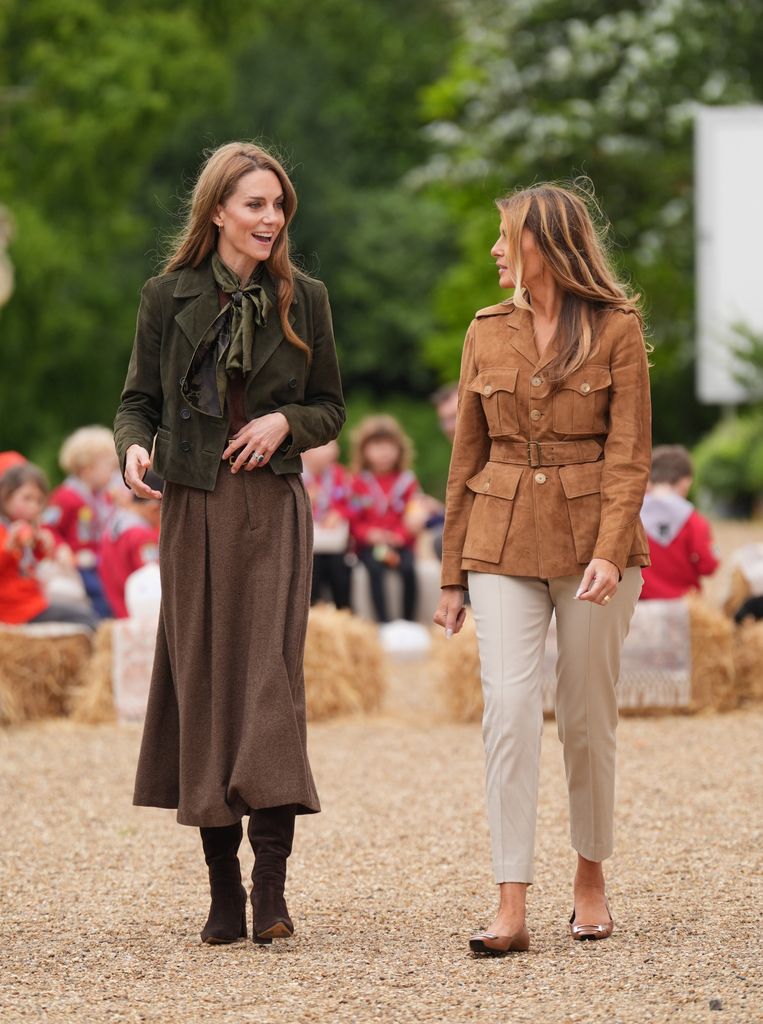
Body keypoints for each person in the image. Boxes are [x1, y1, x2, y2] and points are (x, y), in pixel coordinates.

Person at [114, 141, 345, 947]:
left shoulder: (304, 297)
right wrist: (134, 449)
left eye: (278, 205)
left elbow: (330, 407)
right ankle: (221, 890)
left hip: (273, 509)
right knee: (205, 685)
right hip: (193, 510)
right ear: (217, 210)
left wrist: (287, 420)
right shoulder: (164, 294)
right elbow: (136, 402)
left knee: (268, 687)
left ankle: (270, 888)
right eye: (254, 204)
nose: (271, 218)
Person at [434, 183, 651, 955]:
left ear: (545, 246)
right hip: (497, 540)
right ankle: (510, 903)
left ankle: (589, 878)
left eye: (505, 237)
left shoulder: (617, 327)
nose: (495, 250)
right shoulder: (485, 330)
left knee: (586, 716)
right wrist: (451, 574)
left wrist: (605, 549)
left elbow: (628, 457)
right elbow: (465, 455)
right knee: (509, 709)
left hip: (597, 541)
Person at [0, 463, 98, 629]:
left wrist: (42, 546)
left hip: (33, 602)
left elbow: (31, 563)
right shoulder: (6, 531)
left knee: (84, 610)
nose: (34, 506)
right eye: (27, 498)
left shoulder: (24, 527)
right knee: (86, 619)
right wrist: (8, 548)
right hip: (16, 610)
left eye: (39, 501)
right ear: (5, 496)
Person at [349, 415, 421, 623]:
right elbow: (354, 520)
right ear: (364, 451)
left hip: (400, 544)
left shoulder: (407, 482)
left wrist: (400, 536)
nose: (384, 452)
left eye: (389, 446)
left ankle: (408, 622)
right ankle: (384, 623)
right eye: (377, 446)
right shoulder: (357, 482)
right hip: (370, 546)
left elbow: (412, 515)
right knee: (375, 568)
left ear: (400, 449)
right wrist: (369, 535)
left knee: (409, 569)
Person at [42, 426, 118, 618]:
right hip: (80, 567)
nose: (114, 473)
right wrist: (61, 548)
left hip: (101, 563)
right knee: (101, 600)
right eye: (110, 467)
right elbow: (47, 528)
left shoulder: (105, 498)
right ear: (87, 468)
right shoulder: (66, 497)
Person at [639, 445, 719, 600]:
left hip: (638, 606)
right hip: (681, 606)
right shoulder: (694, 521)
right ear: (685, 482)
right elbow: (709, 566)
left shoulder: (631, 516)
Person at [98, 470, 163, 618]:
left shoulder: (114, 526)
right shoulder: (142, 536)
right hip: (141, 617)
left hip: (119, 610)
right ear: (154, 508)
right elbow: (152, 577)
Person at [302, 440, 353, 609]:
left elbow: (352, 503)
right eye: (324, 444)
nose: (332, 450)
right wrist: (306, 503)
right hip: (307, 544)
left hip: (333, 543)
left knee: (339, 570)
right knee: (312, 569)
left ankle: (343, 609)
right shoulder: (297, 476)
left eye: (334, 444)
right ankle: (311, 609)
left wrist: (338, 513)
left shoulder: (339, 474)